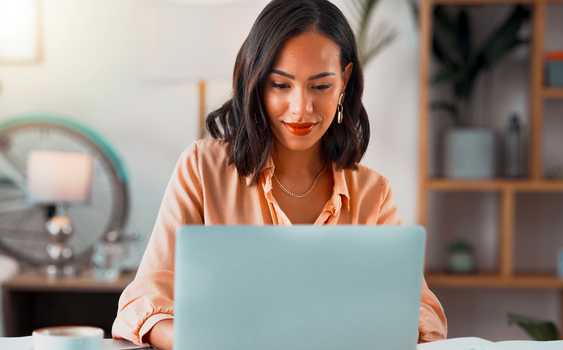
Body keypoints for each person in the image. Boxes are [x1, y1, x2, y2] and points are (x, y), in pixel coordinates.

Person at [112, 0, 447, 348]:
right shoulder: (201, 168)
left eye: (320, 86)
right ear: (256, 82)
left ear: (344, 81)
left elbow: (422, 312)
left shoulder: (371, 192)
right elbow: (142, 301)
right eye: (280, 85)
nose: (301, 108)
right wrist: (197, 342)